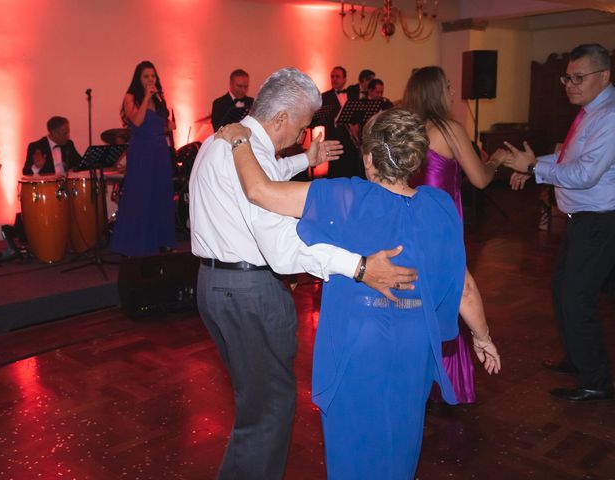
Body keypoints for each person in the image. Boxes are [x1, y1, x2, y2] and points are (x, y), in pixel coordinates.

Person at [217, 107, 500, 480]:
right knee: (401, 444)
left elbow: (258, 191)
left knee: (354, 451)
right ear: (415, 159)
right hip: (413, 347)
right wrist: (483, 338)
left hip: (356, 347)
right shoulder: (439, 205)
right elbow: (463, 288)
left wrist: (239, 139)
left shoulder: (345, 197)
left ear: (369, 157)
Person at [189, 68, 419, 480]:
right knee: (269, 412)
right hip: (248, 293)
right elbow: (283, 250)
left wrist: (302, 159)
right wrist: (360, 266)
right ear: (279, 119)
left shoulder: (222, 141)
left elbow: (260, 180)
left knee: (254, 407)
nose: (299, 136)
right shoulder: (251, 154)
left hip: (214, 285)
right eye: (299, 128)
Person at [503, 43, 615, 402]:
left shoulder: (610, 116)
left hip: (600, 221)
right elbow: (569, 157)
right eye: (568, 77)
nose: (570, 84)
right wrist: (535, 167)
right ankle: (579, 360)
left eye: (578, 78)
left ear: (604, 77)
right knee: (562, 288)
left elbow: (584, 174)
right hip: (584, 220)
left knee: (576, 296)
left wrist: (534, 168)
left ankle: (596, 379)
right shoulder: (590, 111)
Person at [402, 65, 505, 403]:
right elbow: (480, 179)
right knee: (451, 295)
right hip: (440, 223)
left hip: (406, 223)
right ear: (435, 92)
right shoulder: (448, 129)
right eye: (447, 86)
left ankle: (415, 382)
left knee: (415, 300)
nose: (451, 92)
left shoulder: (405, 130)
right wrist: (499, 159)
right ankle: (447, 383)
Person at [109, 60, 176, 257]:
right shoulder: (131, 97)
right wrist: (147, 97)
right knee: (141, 195)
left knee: (161, 195)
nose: (150, 79)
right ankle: (136, 244)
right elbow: (136, 123)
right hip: (142, 151)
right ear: (138, 79)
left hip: (159, 151)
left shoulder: (160, 99)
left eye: (153, 76)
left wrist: (168, 126)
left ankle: (161, 240)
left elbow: (157, 125)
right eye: (146, 76)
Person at [322, 66, 363, 178]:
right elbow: (322, 119)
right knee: (335, 173)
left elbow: (357, 115)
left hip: (350, 142)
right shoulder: (324, 97)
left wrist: (356, 126)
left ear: (344, 79)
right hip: (334, 141)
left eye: (338, 77)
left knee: (351, 172)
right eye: (332, 76)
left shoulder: (352, 95)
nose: (334, 79)